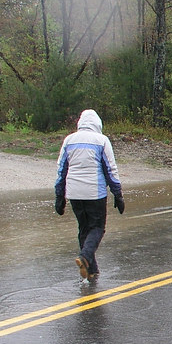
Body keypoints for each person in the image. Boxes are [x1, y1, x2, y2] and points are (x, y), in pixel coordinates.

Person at [54, 109, 125, 281]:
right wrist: (118, 194)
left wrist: (59, 196)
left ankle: (91, 270)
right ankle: (85, 256)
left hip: (74, 193)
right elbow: (110, 169)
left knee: (84, 229)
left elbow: (61, 169)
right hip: (95, 192)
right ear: (98, 124)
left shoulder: (69, 140)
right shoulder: (101, 140)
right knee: (97, 228)